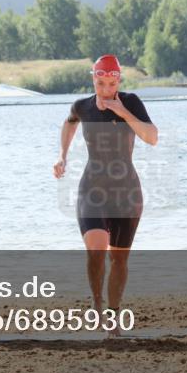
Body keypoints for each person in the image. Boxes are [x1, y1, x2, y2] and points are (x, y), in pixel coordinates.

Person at [53, 54, 157, 334]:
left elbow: (152, 137)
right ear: (94, 79)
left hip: (126, 192)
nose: (105, 90)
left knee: (119, 259)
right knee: (96, 249)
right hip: (92, 190)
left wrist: (122, 112)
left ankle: (113, 314)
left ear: (118, 81)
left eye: (111, 84)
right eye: (100, 83)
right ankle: (96, 305)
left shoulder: (131, 102)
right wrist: (62, 156)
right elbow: (70, 122)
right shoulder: (82, 106)